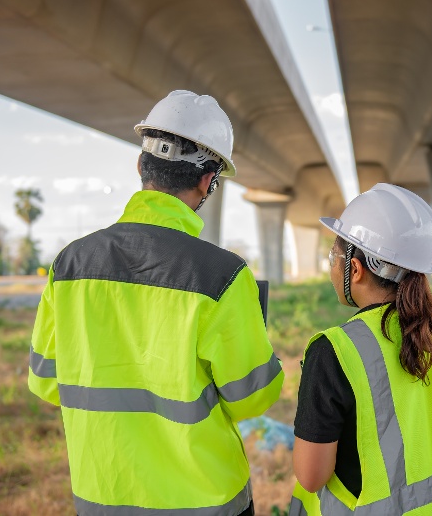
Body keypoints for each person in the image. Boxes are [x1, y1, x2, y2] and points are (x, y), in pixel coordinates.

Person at [28, 90, 284, 515]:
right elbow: (251, 397)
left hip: (101, 496)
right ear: (207, 182)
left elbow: (45, 380)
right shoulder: (221, 275)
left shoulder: (69, 264)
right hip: (205, 501)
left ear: (140, 165)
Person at [289, 183, 432, 515]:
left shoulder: (334, 350)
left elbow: (310, 476)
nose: (331, 267)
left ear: (354, 269)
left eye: (334, 257)